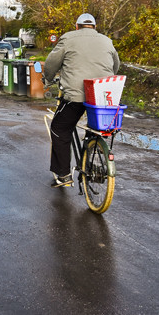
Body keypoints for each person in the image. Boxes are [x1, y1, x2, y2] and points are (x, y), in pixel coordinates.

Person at [43, 13, 120, 187]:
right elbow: (116, 65)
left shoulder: (68, 38)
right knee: (95, 126)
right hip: (102, 96)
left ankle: (63, 175)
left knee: (59, 128)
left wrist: (47, 79)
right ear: (94, 27)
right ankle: (91, 148)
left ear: (77, 26)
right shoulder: (106, 41)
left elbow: (51, 63)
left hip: (75, 96)